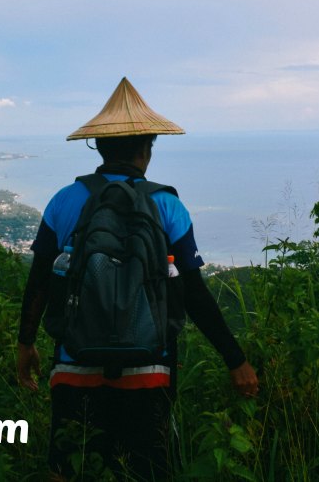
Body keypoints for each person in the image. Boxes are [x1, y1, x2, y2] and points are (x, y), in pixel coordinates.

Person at [16, 77, 259, 480]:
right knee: (145, 468)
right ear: (147, 149)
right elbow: (193, 292)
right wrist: (236, 360)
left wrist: (26, 344)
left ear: (99, 144)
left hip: (74, 363)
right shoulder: (166, 204)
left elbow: (39, 280)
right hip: (150, 368)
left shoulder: (64, 200)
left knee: (68, 467)